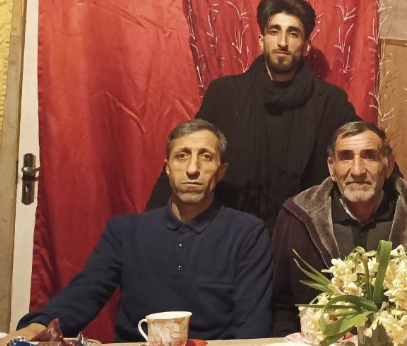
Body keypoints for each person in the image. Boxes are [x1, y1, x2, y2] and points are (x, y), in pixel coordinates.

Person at [1, 120, 272, 343]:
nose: (192, 169)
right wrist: (35, 328)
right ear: (168, 169)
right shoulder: (125, 232)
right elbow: (85, 293)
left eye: (206, 157)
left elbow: (252, 326)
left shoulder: (248, 233)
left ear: (221, 172)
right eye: (182, 156)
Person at [147, 0, 360, 233]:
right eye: (274, 31)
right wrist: (150, 228)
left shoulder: (330, 102)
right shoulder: (225, 94)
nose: (282, 42)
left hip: (302, 233)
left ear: (306, 46)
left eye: (293, 33)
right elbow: (189, 150)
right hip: (231, 231)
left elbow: (366, 145)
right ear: (261, 40)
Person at [270, 121, 407, 335]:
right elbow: (281, 306)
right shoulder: (296, 218)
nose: (357, 170)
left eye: (369, 156)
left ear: (388, 165)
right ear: (331, 167)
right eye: (346, 157)